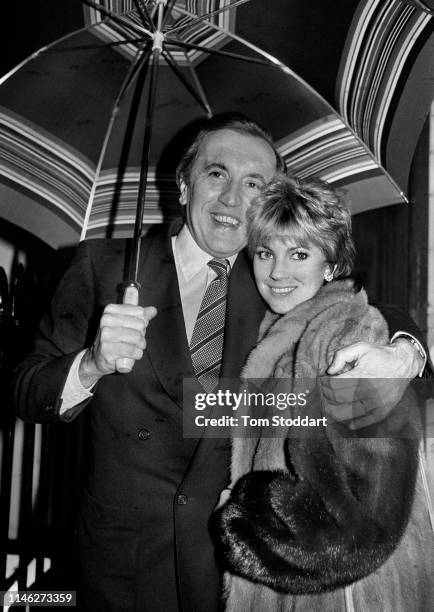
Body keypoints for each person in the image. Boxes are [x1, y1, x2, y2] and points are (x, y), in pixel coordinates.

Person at [13, 113, 429, 612]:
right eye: (217, 174)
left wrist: (405, 349)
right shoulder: (103, 267)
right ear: (185, 186)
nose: (233, 198)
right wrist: (91, 364)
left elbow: (360, 307)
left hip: (231, 571)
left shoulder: (273, 277)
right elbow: (26, 390)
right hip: (119, 565)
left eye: (254, 183)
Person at [216, 175, 434, 611]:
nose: (277, 272)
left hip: (345, 595)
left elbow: (365, 523)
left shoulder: (347, 334)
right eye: (265, 253)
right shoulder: (280, 335)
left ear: (331, 265)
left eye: (299, 254)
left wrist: (244, 517)